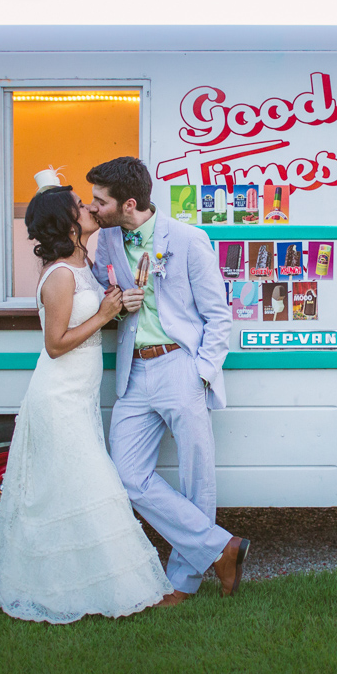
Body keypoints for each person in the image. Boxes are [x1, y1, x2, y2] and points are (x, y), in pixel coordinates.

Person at [0, 173, 177, 621]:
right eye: (81, 206)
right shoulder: (61, 275)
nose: (90, 209)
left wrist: (115, 305)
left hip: (77, 397)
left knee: (73, 490)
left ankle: (85, 583)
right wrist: (105, 313)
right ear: (67, 223)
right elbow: (56, 343)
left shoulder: (81, 263)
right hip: (58, 396)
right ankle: (110, 588)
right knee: (88, 484)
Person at [87, 156, 249, 600]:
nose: (94, 207)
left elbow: (219, 316)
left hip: (180, 364)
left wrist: (200, 373)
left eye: (101, 201)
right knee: (125, 475)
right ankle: (221, 548)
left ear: (130, 203)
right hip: (134, 370)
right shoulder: (107, 241)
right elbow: (103, 291)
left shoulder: (189, 239)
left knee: (197, 477)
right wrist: (118, 301)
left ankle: (183, 581)